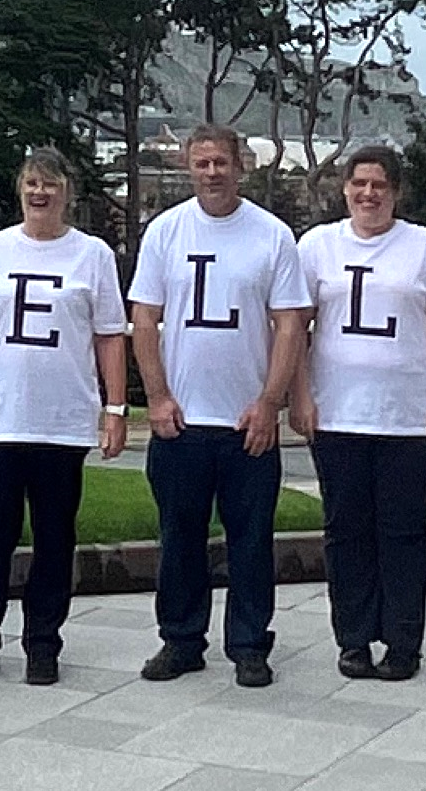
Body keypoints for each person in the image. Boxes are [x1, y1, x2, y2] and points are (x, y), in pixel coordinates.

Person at [130, 125, 312, 689]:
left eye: (222, 163)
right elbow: (144, 319)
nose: (213, 173)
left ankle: (250, 645)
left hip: (247, 423)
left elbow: (290, 324)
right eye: (202, 163)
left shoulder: (271, 235)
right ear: (189, 167)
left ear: (242, 166)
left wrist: (270, 402)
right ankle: (181, 640)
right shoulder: (166, 232)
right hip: (182, 419)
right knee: (178, 537)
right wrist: (156, 397)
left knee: (251, 540)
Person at [0, 148, 128, 688]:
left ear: (67, 192)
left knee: (54, 540)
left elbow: (109, 336)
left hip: (61, 420)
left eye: (49, 183)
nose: (39, 192)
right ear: (19, 189)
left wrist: (114, 408)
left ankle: (43, 643)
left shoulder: (91, 255)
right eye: (30, 182)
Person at [293, 145, 426, 681]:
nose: (368, 194)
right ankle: (352, 637)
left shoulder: (425, 247)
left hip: (405, 418)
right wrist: (299, 395)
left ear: (396, 192)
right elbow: (292, 324)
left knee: (403, 530)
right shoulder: (317, 246)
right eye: (359, 184)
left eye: (380, 185)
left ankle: (403, 639)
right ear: (343, 188)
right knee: (345, 530)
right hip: (339, 414)